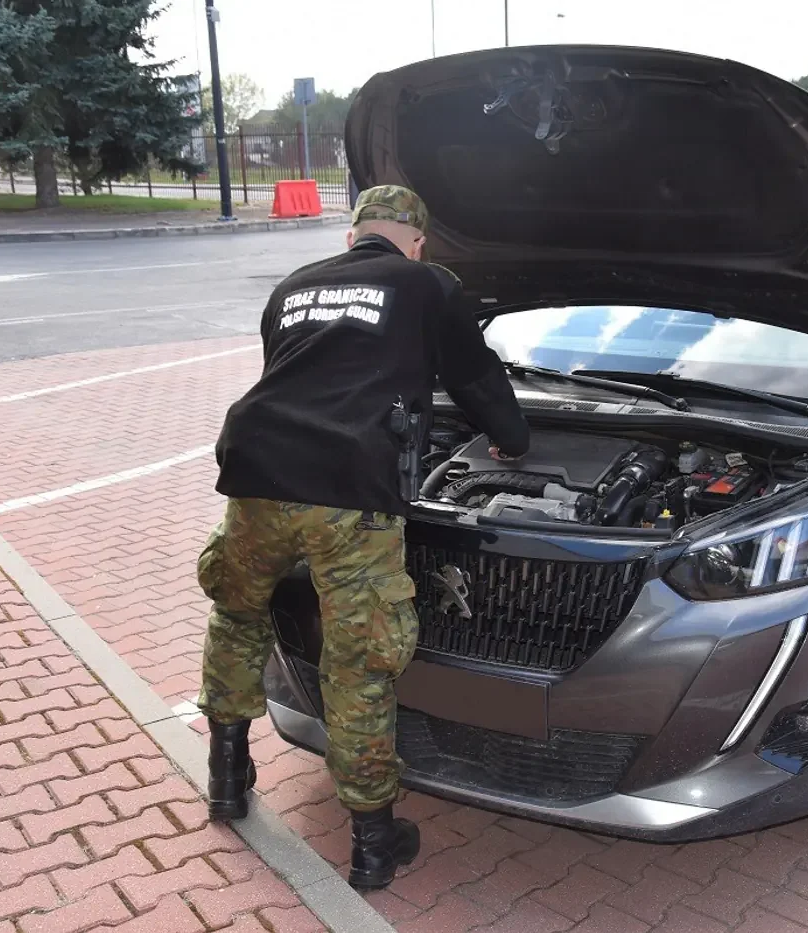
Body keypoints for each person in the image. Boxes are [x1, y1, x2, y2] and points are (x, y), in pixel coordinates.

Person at [195, 185, 529, 892]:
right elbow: (474, 376)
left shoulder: (292, 286)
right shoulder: (426, 283)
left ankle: (226, 776)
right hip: (347, 490)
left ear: (352, 239)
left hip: (255, 467)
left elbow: (295, 376)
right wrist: (510, 440)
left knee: (237, 615)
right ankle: (375, 843)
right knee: (359, 661)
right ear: (417, 243)